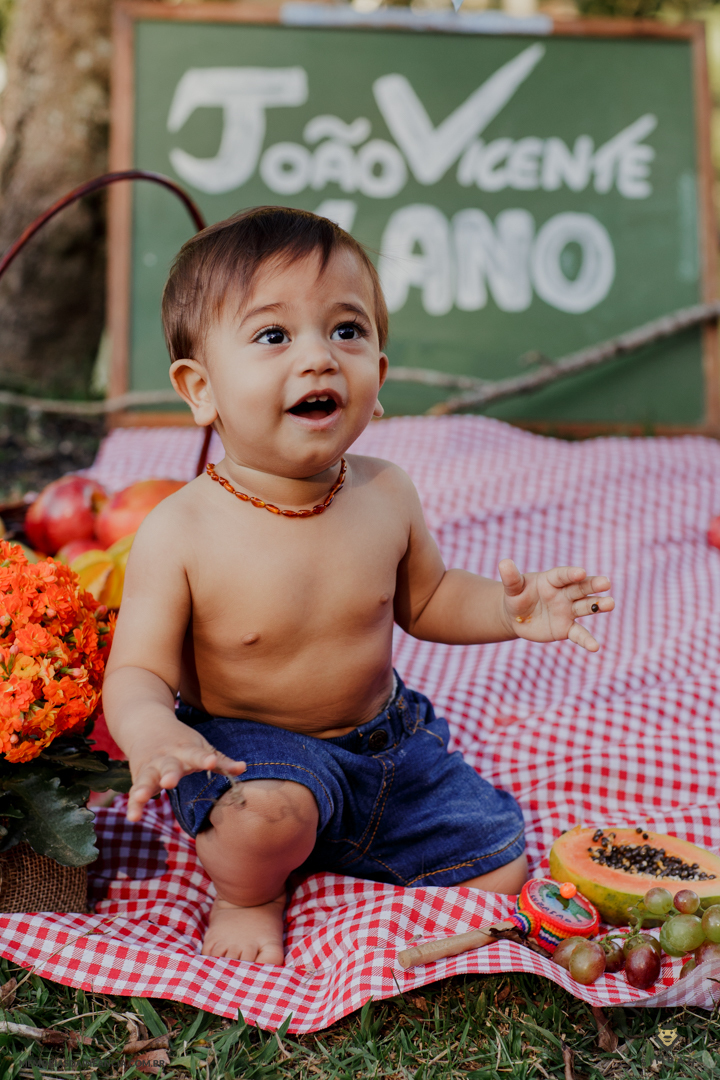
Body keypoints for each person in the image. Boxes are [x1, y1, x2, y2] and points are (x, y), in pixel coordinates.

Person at [103, 206, 614, 965]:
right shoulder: (182, 529)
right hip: (253, 755)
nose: (318, 358)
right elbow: (137, 669)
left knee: (504, 863)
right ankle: (252, 894)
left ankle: (348, 839)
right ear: (200, 388)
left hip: (386, 743)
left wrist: (510, 612)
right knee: (257, 824)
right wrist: (155, 732)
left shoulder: (385, 493)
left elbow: (429, 600)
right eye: (273, 336)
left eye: (346, 331)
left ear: (377, 378)